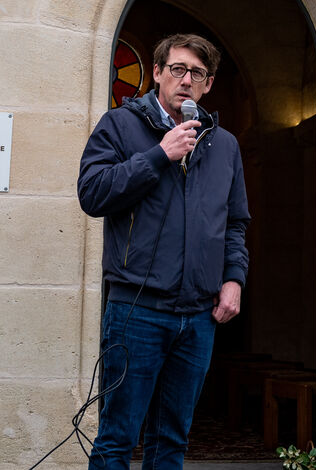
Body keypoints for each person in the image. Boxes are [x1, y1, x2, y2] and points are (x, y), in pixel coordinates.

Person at [78, 33, 250, 470]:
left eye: (198, 73)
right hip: (136, 310)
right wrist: (158, 155)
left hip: (198, 316)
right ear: (157, 73)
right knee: (117, 438)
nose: (186, 80)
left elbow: (234, 223)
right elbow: (92, 194)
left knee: (171, 440)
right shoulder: (119, 126)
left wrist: (233, 279)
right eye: (177, 69)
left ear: (208, 84)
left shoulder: (224, 145)